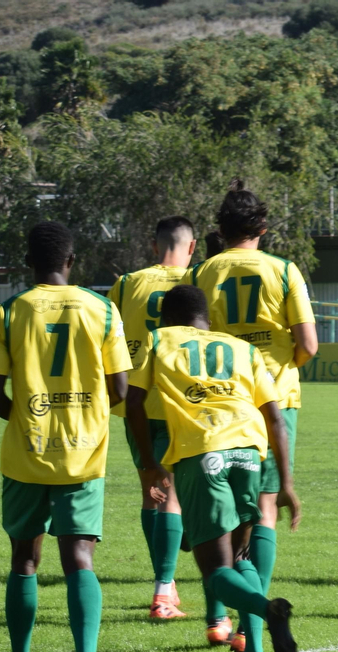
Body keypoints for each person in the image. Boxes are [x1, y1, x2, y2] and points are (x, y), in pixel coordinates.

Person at [124, 285, 300, 652]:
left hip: (203, 451)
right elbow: (274, 415)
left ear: (167, 318)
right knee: (242, 558)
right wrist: (286, 480)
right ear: (206, 317)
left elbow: (132, 401)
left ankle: (268, 611)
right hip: (249, 453)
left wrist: (151, 463)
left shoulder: (158, 340)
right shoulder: (240, 347)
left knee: (217, 572)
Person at [0, 222, 131, 652]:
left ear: (29, 263)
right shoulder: (102, 309)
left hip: (26, 453)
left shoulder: (9, 311)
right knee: (79, 561)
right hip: (83, 452)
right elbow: (119, 390)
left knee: (24, 561)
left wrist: (27, 417)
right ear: (71, 261)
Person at [192, 182, 317, 652]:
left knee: (219, 520)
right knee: (264, 511)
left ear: (220, 231)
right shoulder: (284, 271)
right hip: (274, 403)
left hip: (217, 404)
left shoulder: (201, 272)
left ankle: (222, 617)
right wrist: (280, 367)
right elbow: (308, 345)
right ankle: (252, 637)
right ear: (263, 229)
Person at [109, 215, 196, 623]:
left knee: (152, 492)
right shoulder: (197, 280)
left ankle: (164, 582)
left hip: (136, 403)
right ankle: (163, 591)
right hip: (181, 400)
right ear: (191, 247)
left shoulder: (126, 284)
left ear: (153, 244)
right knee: (173, 495)